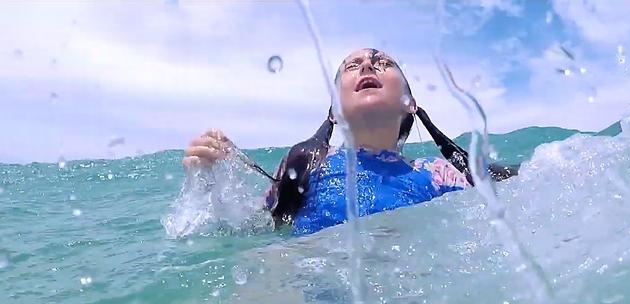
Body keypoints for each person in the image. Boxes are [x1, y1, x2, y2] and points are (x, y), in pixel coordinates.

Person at [182, 48, 516, 235]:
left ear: (410, 104)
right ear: (335, 112)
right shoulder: (305, 165)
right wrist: (207, 178)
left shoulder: (442, 173)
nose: (368, 65)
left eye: (382, 63)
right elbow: (244, 227)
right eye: (352, 66)